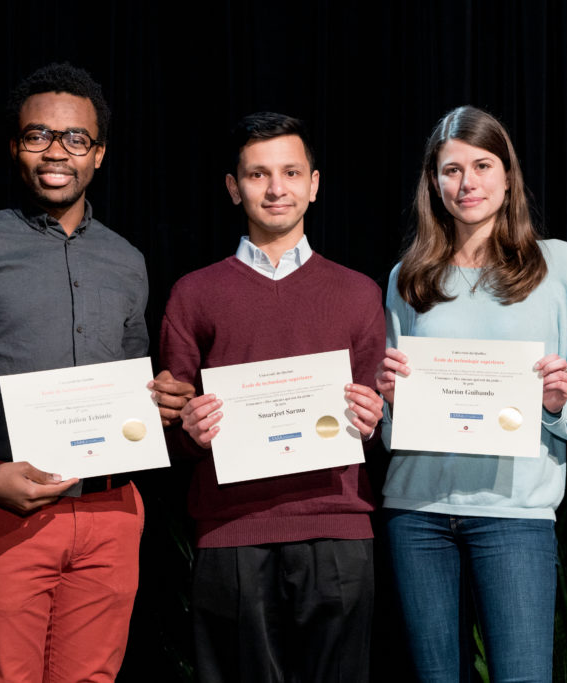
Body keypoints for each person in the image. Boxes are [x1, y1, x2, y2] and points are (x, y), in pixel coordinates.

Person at [0, 63, 192, 682]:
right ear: (15, 146)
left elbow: (133, 383)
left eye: (75, 139)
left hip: (112, 513)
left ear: (99, 154)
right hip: (6, 514)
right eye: (38, 136)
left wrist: (160, 400)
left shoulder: (127, 260)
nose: (56, 152)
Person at [374, 105, 567, 682]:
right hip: (418, 512)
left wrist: (558, 400)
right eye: (451, 170)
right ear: (433, 181)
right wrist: (390, 403)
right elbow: (391, 427)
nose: (467, 183)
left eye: (482, 166)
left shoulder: (559, 265)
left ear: (507, 176)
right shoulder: (408, 276)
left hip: (515, 515)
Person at [160, 112, 385, 683]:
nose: (276, 188)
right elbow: (170, 419)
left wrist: (373, 416)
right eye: (258, 175)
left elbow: (373, 418)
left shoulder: (359, 293)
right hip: (231, 528)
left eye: (290, 172)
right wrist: (188, 427)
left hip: (337, 525)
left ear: (315, 183)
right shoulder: (194, 293)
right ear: (234, 188)